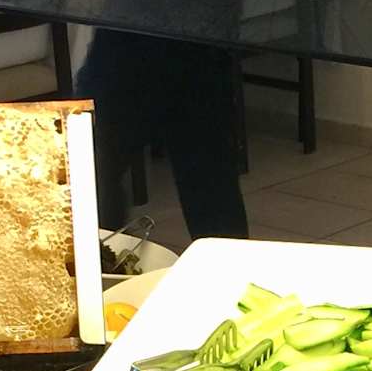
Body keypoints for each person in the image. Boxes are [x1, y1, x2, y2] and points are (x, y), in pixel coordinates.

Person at [76, 29, 250, 242]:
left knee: (90, 170)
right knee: (88, 171)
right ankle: (96, 252)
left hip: (188, 39)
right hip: (143, 35)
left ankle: (96, 249)